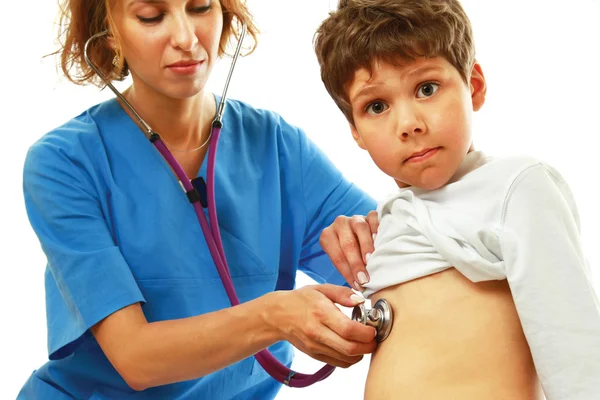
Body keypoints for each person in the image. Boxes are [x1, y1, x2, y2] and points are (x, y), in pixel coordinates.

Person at [16, 0, 382, 398]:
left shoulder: (277, 147)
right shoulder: (64, 163)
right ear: (109, 30)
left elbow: (408, 262)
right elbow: (136, 358)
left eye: (201, 7)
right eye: (151, 16)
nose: (187, 39)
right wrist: (274, 316)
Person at [315, 0, 600, 399]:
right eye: (376, 106)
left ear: (475, 85)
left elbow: (573, 342)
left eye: (426, 89)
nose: (409, 124)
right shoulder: (391, 220)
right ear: (356, 133)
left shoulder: (515, 187)